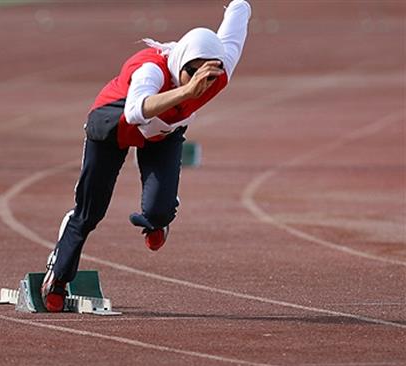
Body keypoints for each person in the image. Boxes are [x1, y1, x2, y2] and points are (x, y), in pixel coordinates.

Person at [41, 0, 252, 312]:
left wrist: (239, 3)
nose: (200, 82)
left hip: (163, 131)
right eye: (192, 73)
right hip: (115, 124)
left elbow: (237, 19)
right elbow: (135, 110)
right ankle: (57, 275)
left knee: (158, 211)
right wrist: (186, 92)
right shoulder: (151, 69)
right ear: (181, 62)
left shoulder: (219, 71)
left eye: (206, 75)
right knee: (90, 211)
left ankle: (160, 217)